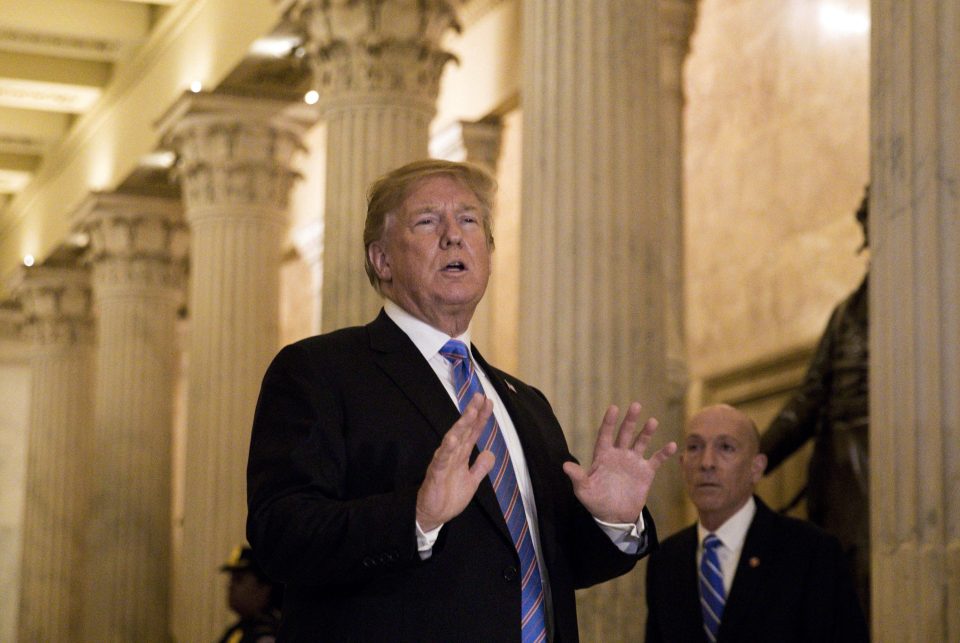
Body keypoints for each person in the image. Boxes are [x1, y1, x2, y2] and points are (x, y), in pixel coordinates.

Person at [246, 159, 677, 642]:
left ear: (488, 252)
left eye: (469, 220)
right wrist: (416, 517)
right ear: (381, 260)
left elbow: (536, 570)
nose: (454, 236)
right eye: (428, 221)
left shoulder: (526, 403)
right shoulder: (321, 371)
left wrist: (612, 521)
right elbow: (279, 537)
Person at [645, 404, 867, 643]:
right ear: (682, 464)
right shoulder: (665, 559)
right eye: (695, 447)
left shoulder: (810, 550)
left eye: (726, 447)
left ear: (756, 467)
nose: (706, 462)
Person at [759, 186, 870, 617]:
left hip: (896, 458)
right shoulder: (847, 313)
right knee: (841, 587)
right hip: (842, 466)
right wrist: (757, 455)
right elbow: (809, 397)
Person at [217, 544, 282, 643]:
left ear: (263, 588)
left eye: (238, 580)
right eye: (231, 580)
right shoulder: (239, 630)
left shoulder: (268, 635)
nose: (230, 586)